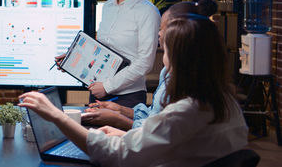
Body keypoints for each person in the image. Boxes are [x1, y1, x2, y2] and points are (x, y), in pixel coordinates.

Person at [20, 14, 248, 166]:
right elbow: (174, 144)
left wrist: (55, 115)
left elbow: (116, 155)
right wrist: (128, 135)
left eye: (165, 50)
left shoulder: (186, 111)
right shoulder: (225, 102)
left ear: (181, 59)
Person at [82, 0, 218, 130]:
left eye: (163, 28)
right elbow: (154, 115)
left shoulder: (188, 93)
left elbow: (159, 132)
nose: (158, 33)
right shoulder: (168, 73)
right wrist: (120, 110)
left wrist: (116, 119)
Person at [56, 0, 160, 108]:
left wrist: (108, 86)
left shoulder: (148, 11)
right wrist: (72, 59)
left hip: (128, 97)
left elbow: (145, 63)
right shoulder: (108, 6)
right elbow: (103, 51)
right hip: (98, 91)